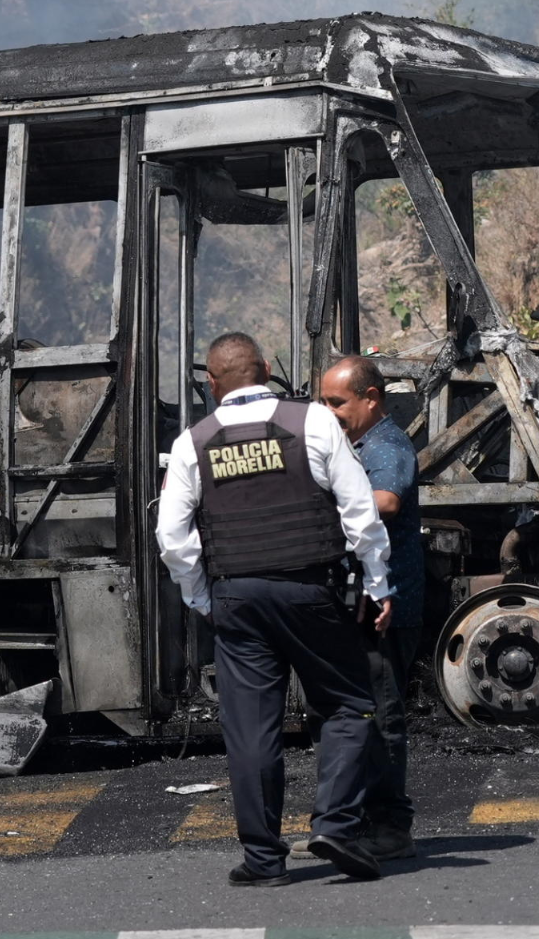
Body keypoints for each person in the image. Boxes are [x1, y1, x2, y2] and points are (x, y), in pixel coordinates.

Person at [156, 332, 393, 885]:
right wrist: (378, 585)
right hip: (312, 590)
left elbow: (172, 536)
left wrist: (200, 597)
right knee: (348, 704)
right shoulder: (312, 422)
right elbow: (361, 513)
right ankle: (334, 823)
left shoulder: (194, 442)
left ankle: (264, 861)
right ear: (266, 369)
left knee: (251, 730)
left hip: (236, 598)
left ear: (211, 386)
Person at [319, 355, 423, 861]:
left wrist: (319, 500)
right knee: (358, 717)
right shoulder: (353, 444)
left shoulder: (387, 444)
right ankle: (354, 825)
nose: (328, 411)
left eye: (336, 402)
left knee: (383, 718)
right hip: (361, 602)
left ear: (370, 398)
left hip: (388, 604)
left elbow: (385, 502)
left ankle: (391, 827)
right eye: (323, 402)